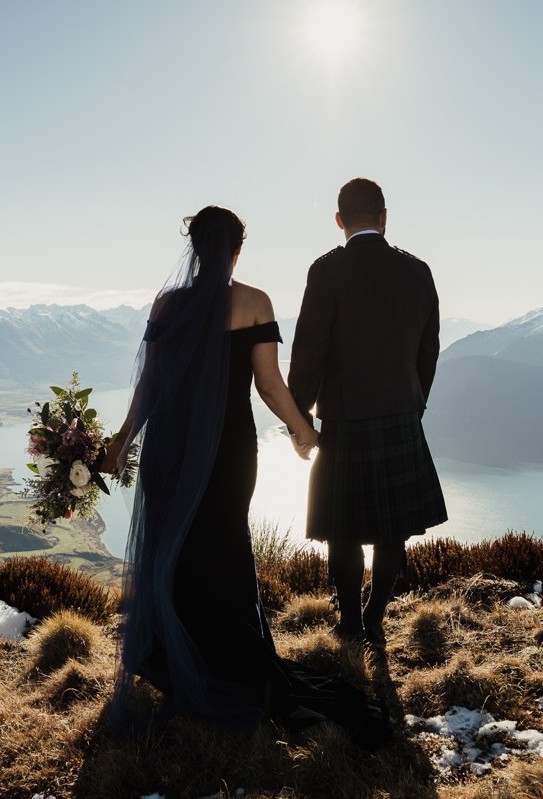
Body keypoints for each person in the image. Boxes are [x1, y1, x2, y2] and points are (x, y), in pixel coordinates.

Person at [102, 205, 388, 746]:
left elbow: (150, 389)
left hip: (169, 448)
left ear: (195, 247)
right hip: (230, 451)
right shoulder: (254, 301)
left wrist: (121, 443)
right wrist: (303, 430)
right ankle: (232, 665)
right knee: (225, 547)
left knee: (174, 551)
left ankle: (177, 662)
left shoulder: (168, 304)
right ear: (236, 249)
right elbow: (269, 386)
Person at [288, 178, 448, 645]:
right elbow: (429, 349)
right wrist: (414, 403)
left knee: (343, 531)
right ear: (384, 216)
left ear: (339, 220)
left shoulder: (326, 271)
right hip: (400, 414)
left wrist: (300, 420)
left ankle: (352, 624)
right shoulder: (418, 271)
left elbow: (308, 353)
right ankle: (376, 617)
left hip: (342, 420)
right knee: (390, 528)